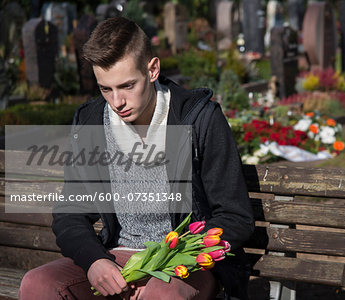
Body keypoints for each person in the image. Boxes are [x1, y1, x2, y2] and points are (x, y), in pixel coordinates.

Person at [19, 17, 254, 300]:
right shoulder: (91, 122)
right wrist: (94, 260)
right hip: (120, 257)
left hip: (187, 265)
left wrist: (163, 264)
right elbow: (70, 212)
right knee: (37, 284)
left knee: (160, 295)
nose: (117, 102)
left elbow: (235, 217)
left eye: (127, 86)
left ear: (152, 69)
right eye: (106, 89)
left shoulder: (200, 119)